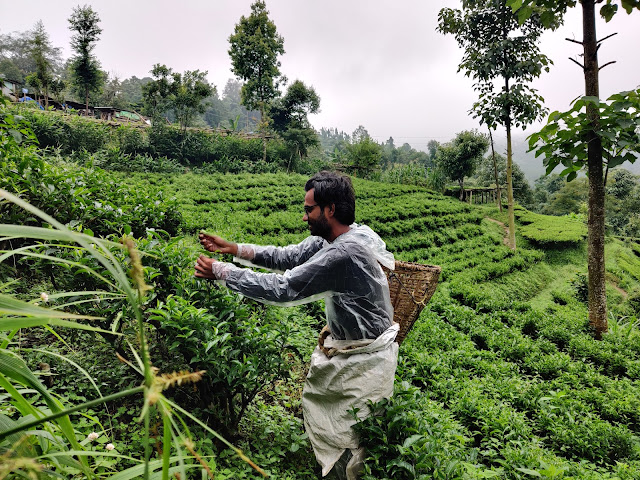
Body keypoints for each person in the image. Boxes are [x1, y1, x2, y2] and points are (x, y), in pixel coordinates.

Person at [194, 171, 399, 479]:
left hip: (364, 359)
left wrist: (223, 272)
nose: (304, 217)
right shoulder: (340, 237)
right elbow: (288, 256)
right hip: (352, 349)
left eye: (309, 209)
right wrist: (234, 249)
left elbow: (285, 288)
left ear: (330, 209)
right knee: (344, 424)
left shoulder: (343, 252)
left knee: (351, 437)